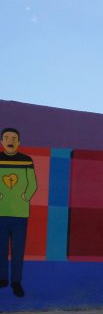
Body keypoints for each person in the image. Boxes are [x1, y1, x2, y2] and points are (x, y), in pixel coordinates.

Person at [0, 127, 38, 297]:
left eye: (14, 138)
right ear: (2, 142)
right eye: (7, 137)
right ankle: (2, 279)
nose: (10, 140)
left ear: (19, 142)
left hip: (20, 215)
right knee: (0, 249)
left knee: (17, 250)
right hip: (1, 213)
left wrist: (26, 196)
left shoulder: (26, 160)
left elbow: (33, 183)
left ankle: (16, 282)